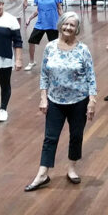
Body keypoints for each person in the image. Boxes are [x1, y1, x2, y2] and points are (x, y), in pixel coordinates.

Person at [26, 12, 97, 191]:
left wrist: (92, 101)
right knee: (50, 137)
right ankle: (42, 173)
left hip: (79, 100)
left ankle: (72, 168)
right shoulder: (50, 47)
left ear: (77, 29)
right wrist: (43, 98)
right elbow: (44, 75)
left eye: (72, 25)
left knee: (76, 135)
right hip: (55, 100)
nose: (68, 28)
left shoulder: (83, 50)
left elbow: (91, 77)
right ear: (60, 25)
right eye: (65, 24)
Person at [24, 0, 63, 71]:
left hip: (52, 23)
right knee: (31, 41)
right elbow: (38, 10)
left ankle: (55, 61)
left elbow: (59, 9)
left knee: (54, 44)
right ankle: (31, 61)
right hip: (40, 23)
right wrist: (29, 18)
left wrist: (64, 20)